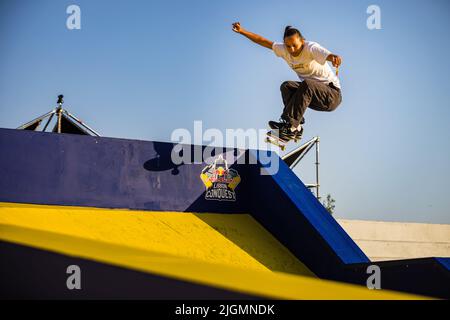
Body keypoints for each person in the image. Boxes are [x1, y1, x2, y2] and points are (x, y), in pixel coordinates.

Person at [232, 22, 342, 141]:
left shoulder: (311, 48)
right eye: (288, 46)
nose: (292, 49)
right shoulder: (283, 49)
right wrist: (242, 31)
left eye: (295, 45)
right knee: (286, 86)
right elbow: (262, 41)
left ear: (302, 41)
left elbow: (328, 55)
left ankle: (290, 126)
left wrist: (334, 58)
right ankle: (296, 127)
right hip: (312, 96)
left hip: (331, 95)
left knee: (308, 84)